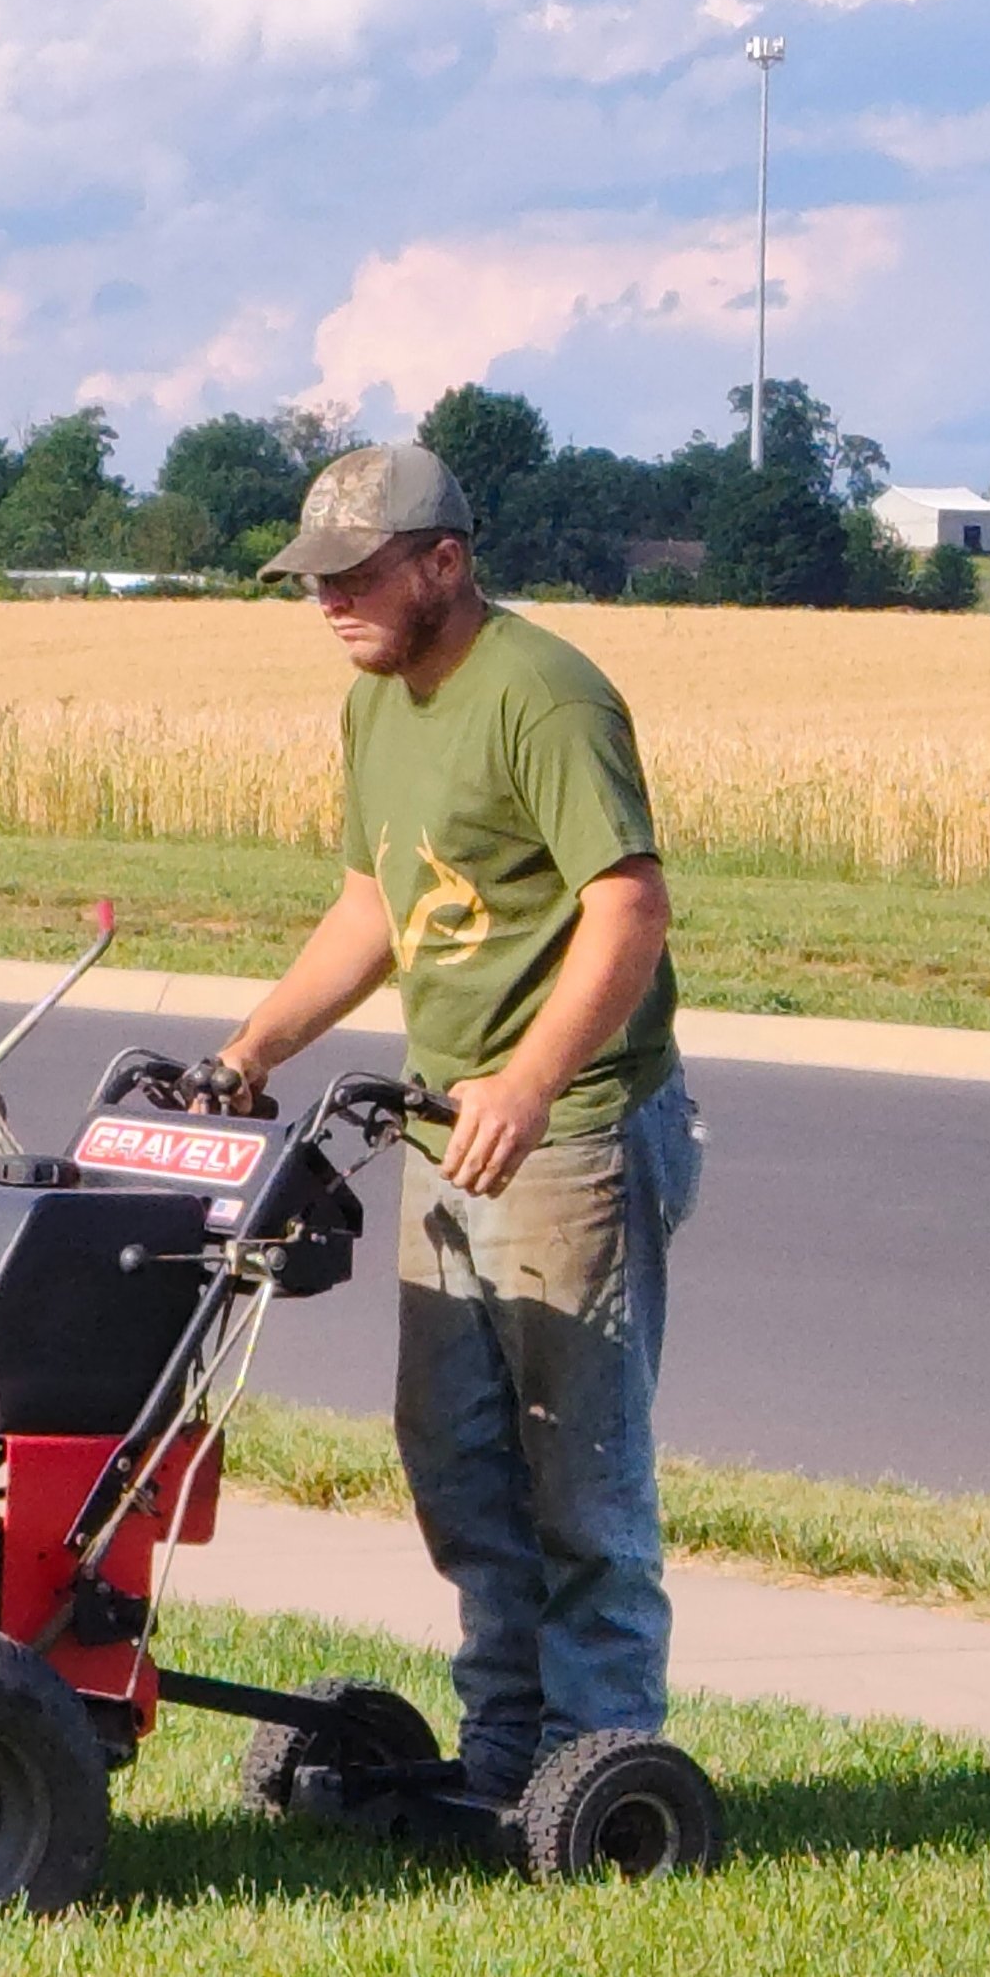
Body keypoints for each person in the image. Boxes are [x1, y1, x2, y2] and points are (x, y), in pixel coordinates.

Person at [201, 442, 701, 1803]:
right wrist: (251, 1051)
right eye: (312, 581)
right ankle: (502, 1756)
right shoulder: (378, 703)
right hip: (444, 1129)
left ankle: (598, 1760)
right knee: (461, 1458)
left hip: (572, 1132)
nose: (329, 603)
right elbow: (377, 904)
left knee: (577, 1474)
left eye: (355, 575)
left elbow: (630, 908)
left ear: (445, 562)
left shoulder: (542, 695)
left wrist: (532, 1084)